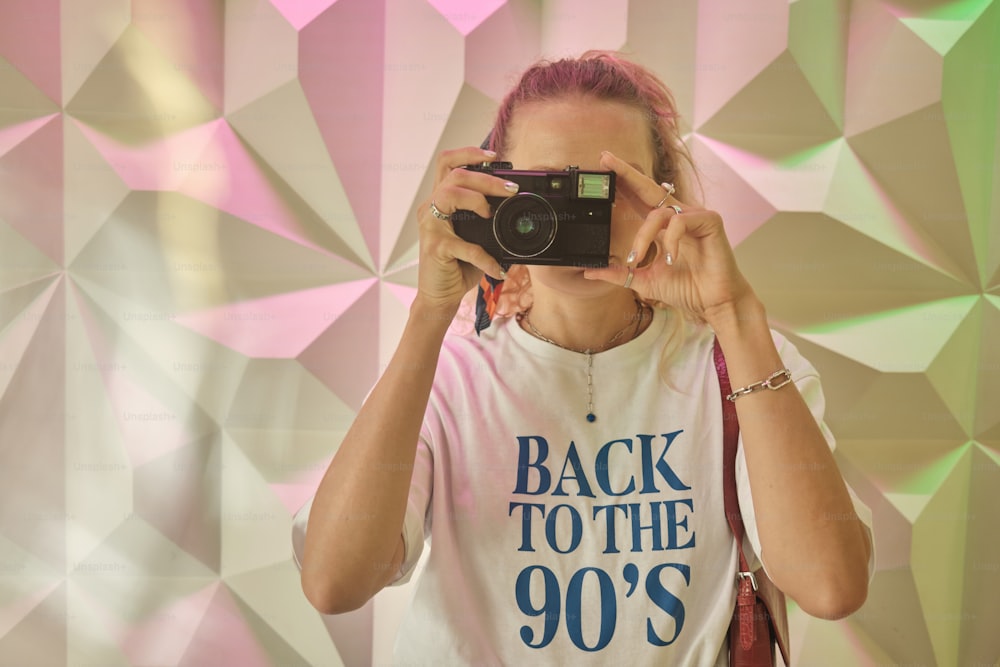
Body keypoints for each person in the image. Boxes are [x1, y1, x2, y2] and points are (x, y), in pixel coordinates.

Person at [293, 51, 873, 665]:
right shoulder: (447, 372)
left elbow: (830, 586)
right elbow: (335, 582)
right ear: (496, 197)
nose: (579, 214)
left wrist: (734, 313)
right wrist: (429, 314)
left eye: (608, 186)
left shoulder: (742, 361)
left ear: (662, 196)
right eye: (549, 188)